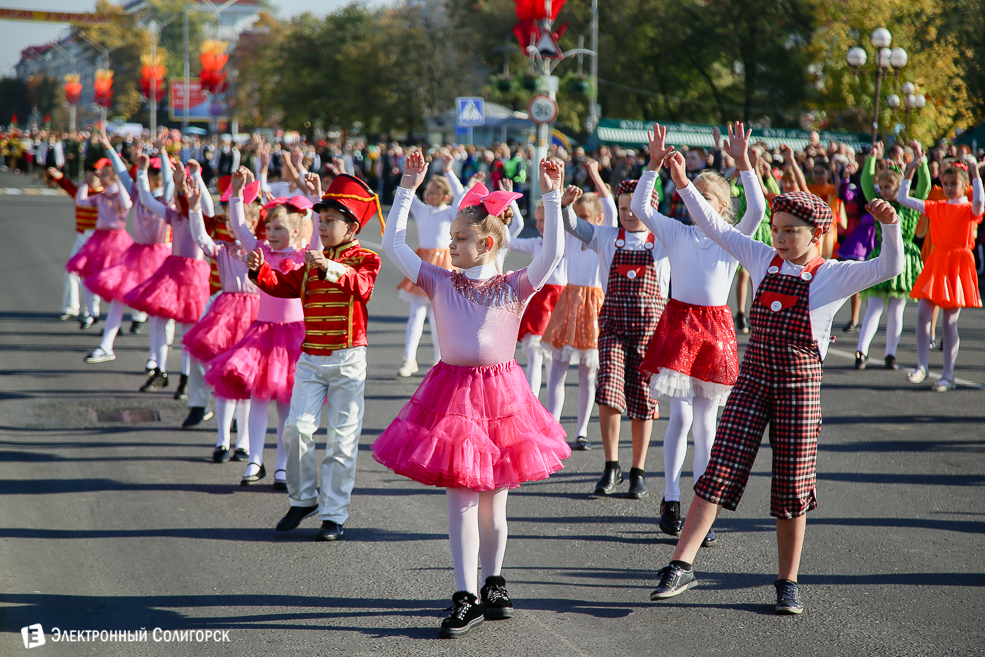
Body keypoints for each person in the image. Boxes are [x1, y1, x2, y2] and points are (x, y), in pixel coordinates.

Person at [650, 150, 903, 615]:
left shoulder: (832, 276)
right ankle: (680, 565)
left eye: (791, 231)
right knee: (718, 469)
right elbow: (716, 227)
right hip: (753, 380)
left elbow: (888, 269)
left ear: (816, 234)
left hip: (799, 391)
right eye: (777, 229)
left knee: (792, 487)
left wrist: (890, 227)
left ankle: (788, 582)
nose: (780, 238)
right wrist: (683, 184)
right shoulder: (762, 258)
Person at [373, 152, 570, 639]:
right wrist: (407, 185)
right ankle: (465, 594)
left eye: (460, 238)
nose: (450, 244)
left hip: (502, 398)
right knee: (461, 497)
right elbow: (394, 241)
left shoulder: (514, 286)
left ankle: (493, 581)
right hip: (453, 397)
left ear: (487, 242)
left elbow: (552, 254)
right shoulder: (438, 279)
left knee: (494, 503)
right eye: (451, 237)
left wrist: (551, 196)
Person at [636, 122, 766, 546]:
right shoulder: (676, 231)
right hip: (679, 324)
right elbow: (640, 207)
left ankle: (700, 507)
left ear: (723, 208)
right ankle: (671, 497)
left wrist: (743, 163)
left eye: (705, 196)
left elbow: (758, 210)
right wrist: (653, 165)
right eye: (691, 193)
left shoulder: (731, 238)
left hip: (715, 330)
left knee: (707, 421)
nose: (695, 200)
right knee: (680, 416)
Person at [247, 173, 382, 542]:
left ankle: (334, 514)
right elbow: (284, 286)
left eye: (330, 220)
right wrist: (259, 270)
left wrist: (329, 267)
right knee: (296, 430)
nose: (322, 226)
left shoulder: (366, 258)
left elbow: (363, 287)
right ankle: (304, 499)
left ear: (352, 227)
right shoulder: (311, 262)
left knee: (341, 441)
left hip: (348, 358)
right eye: (320, 219)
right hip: (311, 358)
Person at [563, 176, 670, 499]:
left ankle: (638, 470)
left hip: (650, 333)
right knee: (608, 392)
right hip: (613, 328)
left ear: (651, 208)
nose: (628, 214)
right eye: (623, 208)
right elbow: (573, 226)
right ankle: (611, 466)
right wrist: (564, 205)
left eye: (635, 208)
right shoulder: (607, 237)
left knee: (643, 401)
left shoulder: (665, 240)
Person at [204, 169, 307, 488]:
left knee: (287, 406)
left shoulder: (305, 255)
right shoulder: (260, 251)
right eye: (270, 227)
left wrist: (314, 195)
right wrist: (236, 193)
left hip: (293, 337)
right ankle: (254, 461)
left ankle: (282, 466)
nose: (272, 233)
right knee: (259, 399)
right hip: (263, 333)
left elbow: (317, 231)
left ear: (296, 230)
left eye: (280, 228)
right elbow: (238, 226)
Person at [184, 177, 262, 462]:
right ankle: (222, 441)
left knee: (246, 381)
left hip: (254, 317)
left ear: (251, 223)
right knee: (225, 380)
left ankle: (243, 443)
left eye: (235, 220)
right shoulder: (223, 249)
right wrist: (194, 210)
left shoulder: (260, 250)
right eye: (228, 220)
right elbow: (200, 238)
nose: (230, 225)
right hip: (226, 316)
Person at [543, 163, 617, 451]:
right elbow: (561, 218)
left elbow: (611, 209)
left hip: (594, 304)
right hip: (570, 301)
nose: (579, 221)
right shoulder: (571, 238)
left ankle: (582, 431)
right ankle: (552, 426)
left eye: (585, 216)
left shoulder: (605, 235)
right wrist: (562, 195)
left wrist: (595, 175)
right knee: (557, 368)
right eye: (578, 216)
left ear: (598, 219)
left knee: (588, 374)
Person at [126, 155, 211, 399]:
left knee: (188, 329)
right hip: (172, 272)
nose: (181, 196)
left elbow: (208, 207)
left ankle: (186, 377)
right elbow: (145, 199)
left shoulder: (202, 216)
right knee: (158, 321)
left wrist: (197, 177)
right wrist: (142, 172)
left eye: (184, 192)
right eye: (179, 192)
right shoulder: (174, 215)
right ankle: (160, 371)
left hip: (194, 276)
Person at [898, 153, 984, 391]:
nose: (947, 188)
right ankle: (922, 366)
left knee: (949, 322)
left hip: (958, 264)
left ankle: (948, 375)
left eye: (953, 184)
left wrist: (975, 172)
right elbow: (902, 198)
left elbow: (979, 202)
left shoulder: (970, 209)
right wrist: (911, 169)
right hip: (937, 262)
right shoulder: (936, 207)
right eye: (945, 184)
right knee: (923, 314)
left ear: (965, 186)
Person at [81, 143, 173, 366]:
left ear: (158, 179)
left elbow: (169, 182)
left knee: (159, 307)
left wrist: (163, 154)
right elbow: (123, 174)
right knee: (119, 296)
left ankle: (155, 358)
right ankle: (106, 346)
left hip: (161, 255)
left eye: (149, 174)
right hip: (138, 254)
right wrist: (108, 148)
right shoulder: (139, 193)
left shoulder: (167, 200)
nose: (143, 176)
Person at [854, 142, 930, 370]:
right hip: (883, 253)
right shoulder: (879, 204)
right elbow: (866, 183)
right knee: (874, 307)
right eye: (881, 186)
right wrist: (871, 158)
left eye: (888, 186)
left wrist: (921, 161)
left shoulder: (909, 204)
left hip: (905, 258)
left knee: (897, 309)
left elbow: (925, 186)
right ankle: (861, 351)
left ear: (899, 186)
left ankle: (890, 354)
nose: (883, 191)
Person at [394, 152, 468, 377]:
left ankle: (439, 361)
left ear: (444, 197)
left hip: (444, 265)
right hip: (424, 263)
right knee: (416, 314)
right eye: (427, 190)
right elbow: (406, 195)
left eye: (433, 192)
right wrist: (409, 177)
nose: (428, 194)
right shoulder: (421, 209)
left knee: (439, 318)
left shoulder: (450, 213)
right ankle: (409, 359)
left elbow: (461, 196)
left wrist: (449, 171)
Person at [65, 149, 135, 331]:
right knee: (88, 275)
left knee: (115, 282)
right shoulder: (101, 196)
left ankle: (115, 321)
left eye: (103, 174)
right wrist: (84, 184)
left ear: (113, 176)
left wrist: (119, 182)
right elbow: (81, 201)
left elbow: (127, 204)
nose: (99, 177)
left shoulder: (119, 195)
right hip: (99, 239)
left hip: (117, 241)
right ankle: (92, 312)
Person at [50, 162, 105, 327]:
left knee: (92, 275)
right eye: (90, 172)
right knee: (72, 271)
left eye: (96, 173)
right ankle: (71, 308)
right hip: (82, 236)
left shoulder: (104, 195)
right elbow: (69, 187)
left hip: (97, 237)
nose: (91, 175)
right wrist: (59, 177)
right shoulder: (81, 191)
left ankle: (92, 311)